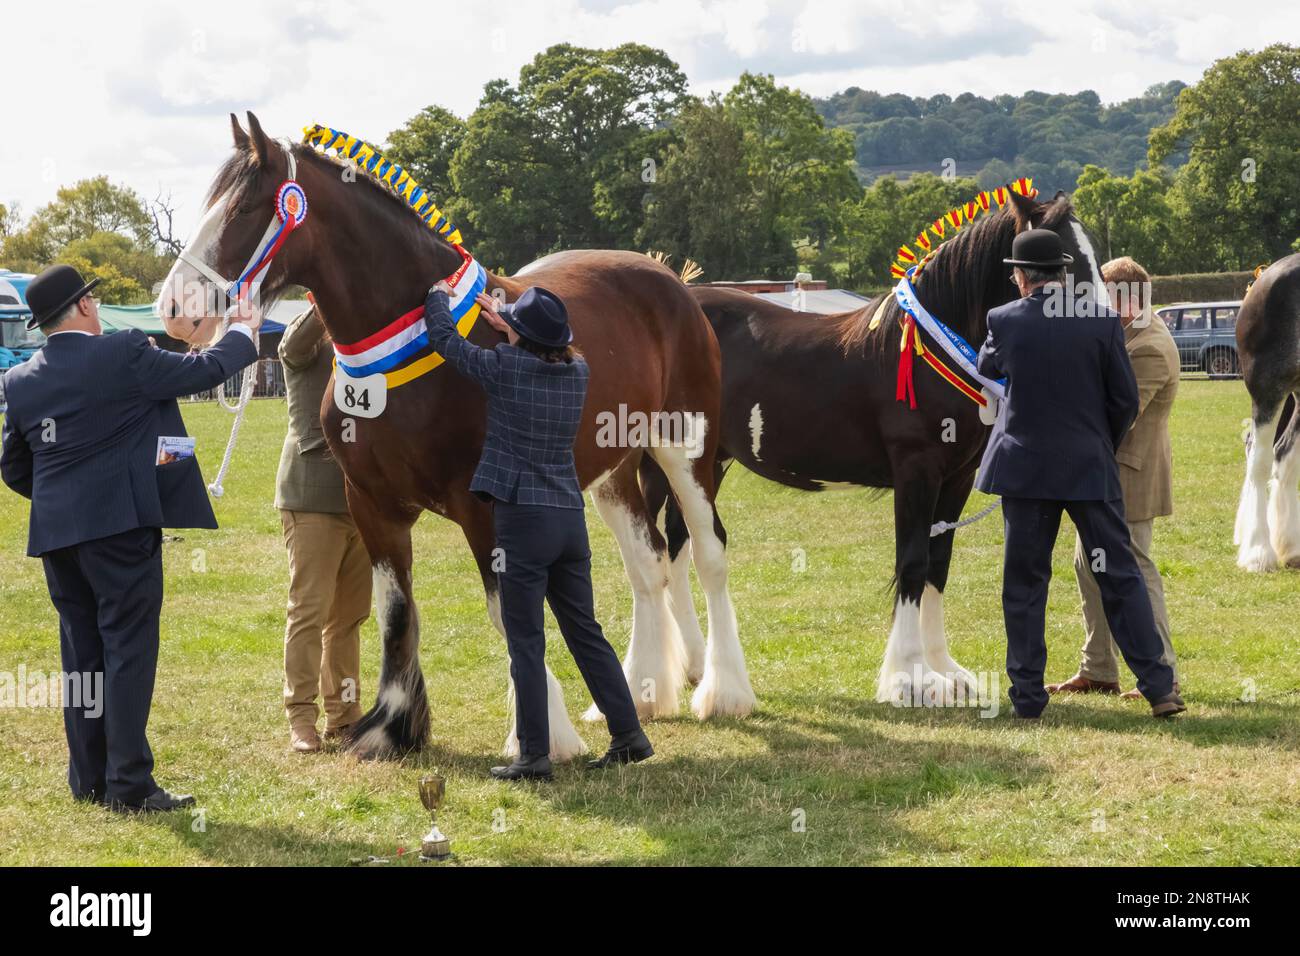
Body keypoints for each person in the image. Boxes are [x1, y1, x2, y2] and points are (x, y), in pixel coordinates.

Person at [0, 264, 261, 812]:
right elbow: (206, 370)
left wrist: (60, 502)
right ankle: (130, 784)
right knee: (127, 652)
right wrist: (243, 332)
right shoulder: (123, 352)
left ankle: (88, 778)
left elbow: (15, 468)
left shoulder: (20, 381)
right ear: (86, 306)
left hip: (58, 536)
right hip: (120, 528)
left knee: (82, 656)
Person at [422, 282, 652, 781]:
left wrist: (439, 296)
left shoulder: (506, 368)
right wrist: (510, 323)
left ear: (520, 337)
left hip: (522, 523)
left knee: (526, 641)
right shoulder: (578, 372)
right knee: (585, 632)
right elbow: (537, 352)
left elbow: (445, 340)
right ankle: (628, 734)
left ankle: (532, 755)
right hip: (569, 518)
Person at [974, 231, 1184, 720]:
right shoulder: (1103, 320)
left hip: (1025, 470)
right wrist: (1097, 443)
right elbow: (1124, 399)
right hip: (1090, 466)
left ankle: (1027, 697)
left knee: (1025, 583)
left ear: (1022, 276)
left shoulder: (1003, 319)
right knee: (1121, 576)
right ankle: (1158, 687)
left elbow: (988, 366)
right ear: (1064, 272)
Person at [1050, 256, 1181, 698]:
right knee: (1088, 566)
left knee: (1136, 573)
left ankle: (1163, 671)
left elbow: (1117, 415)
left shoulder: (1149, 346)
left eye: (1102, 292)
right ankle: (1100, 669)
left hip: (1130, 475)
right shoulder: (1127, 333)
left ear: (1124, 297)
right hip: (1105, 471)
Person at [275, 299, 370, 753]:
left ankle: (346, 714)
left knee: (349, 618)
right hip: (311, 496)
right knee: (309, 612)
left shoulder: (366, 345)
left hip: (363, 502)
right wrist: (323, 303)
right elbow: (290, 344)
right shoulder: (309, 344)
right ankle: (301, 717)